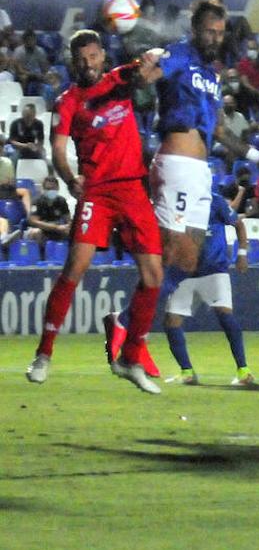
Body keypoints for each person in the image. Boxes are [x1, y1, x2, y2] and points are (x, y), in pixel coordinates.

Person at [115, 1, 259, 391]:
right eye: (209, 30)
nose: (215, 37)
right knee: (170, 257)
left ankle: (128, 326)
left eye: (219, 31)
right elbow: (149, 77)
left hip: (200, 171)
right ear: (196, 29)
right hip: (177, 164)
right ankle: (126, 329)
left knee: (188, 259)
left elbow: (221, 133)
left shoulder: (210, 75)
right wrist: (144, 70)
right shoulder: (178, 54)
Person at [27, 30, 164, 392]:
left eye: (92, 56)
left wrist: (152, 56)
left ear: (102, 55)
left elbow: (149, 69)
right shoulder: (68, 101)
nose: (87, 64)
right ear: (73, 61)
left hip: (133, 188)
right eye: (80, 59)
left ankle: (131, 358)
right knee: (76, 266)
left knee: (154, 275)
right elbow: (57, 150)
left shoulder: (121, 78)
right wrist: (70, 177)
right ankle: (44, 353)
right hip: (97, 192)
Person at [163, 186, 254, 386]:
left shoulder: (215, 201)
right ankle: (187, 372)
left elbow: (238, 224)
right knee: (171, 321)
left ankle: (243, 371)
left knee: (224, 315)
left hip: (213, 269)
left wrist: (242, 254)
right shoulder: (178, 203)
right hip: (185, 272)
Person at [24, 174, 70, 244]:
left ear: (58, 188)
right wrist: (55, 227)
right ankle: (40, 254)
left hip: (56, 229)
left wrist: (68, 226)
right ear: (43, 189)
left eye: (53, 189)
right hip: (41, 229)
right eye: (48, 189)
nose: (51, 191)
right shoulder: (37, 201)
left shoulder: (62, 201)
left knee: (72, 232)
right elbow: (33, 221)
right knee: (36, 232)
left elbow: (68, 219)